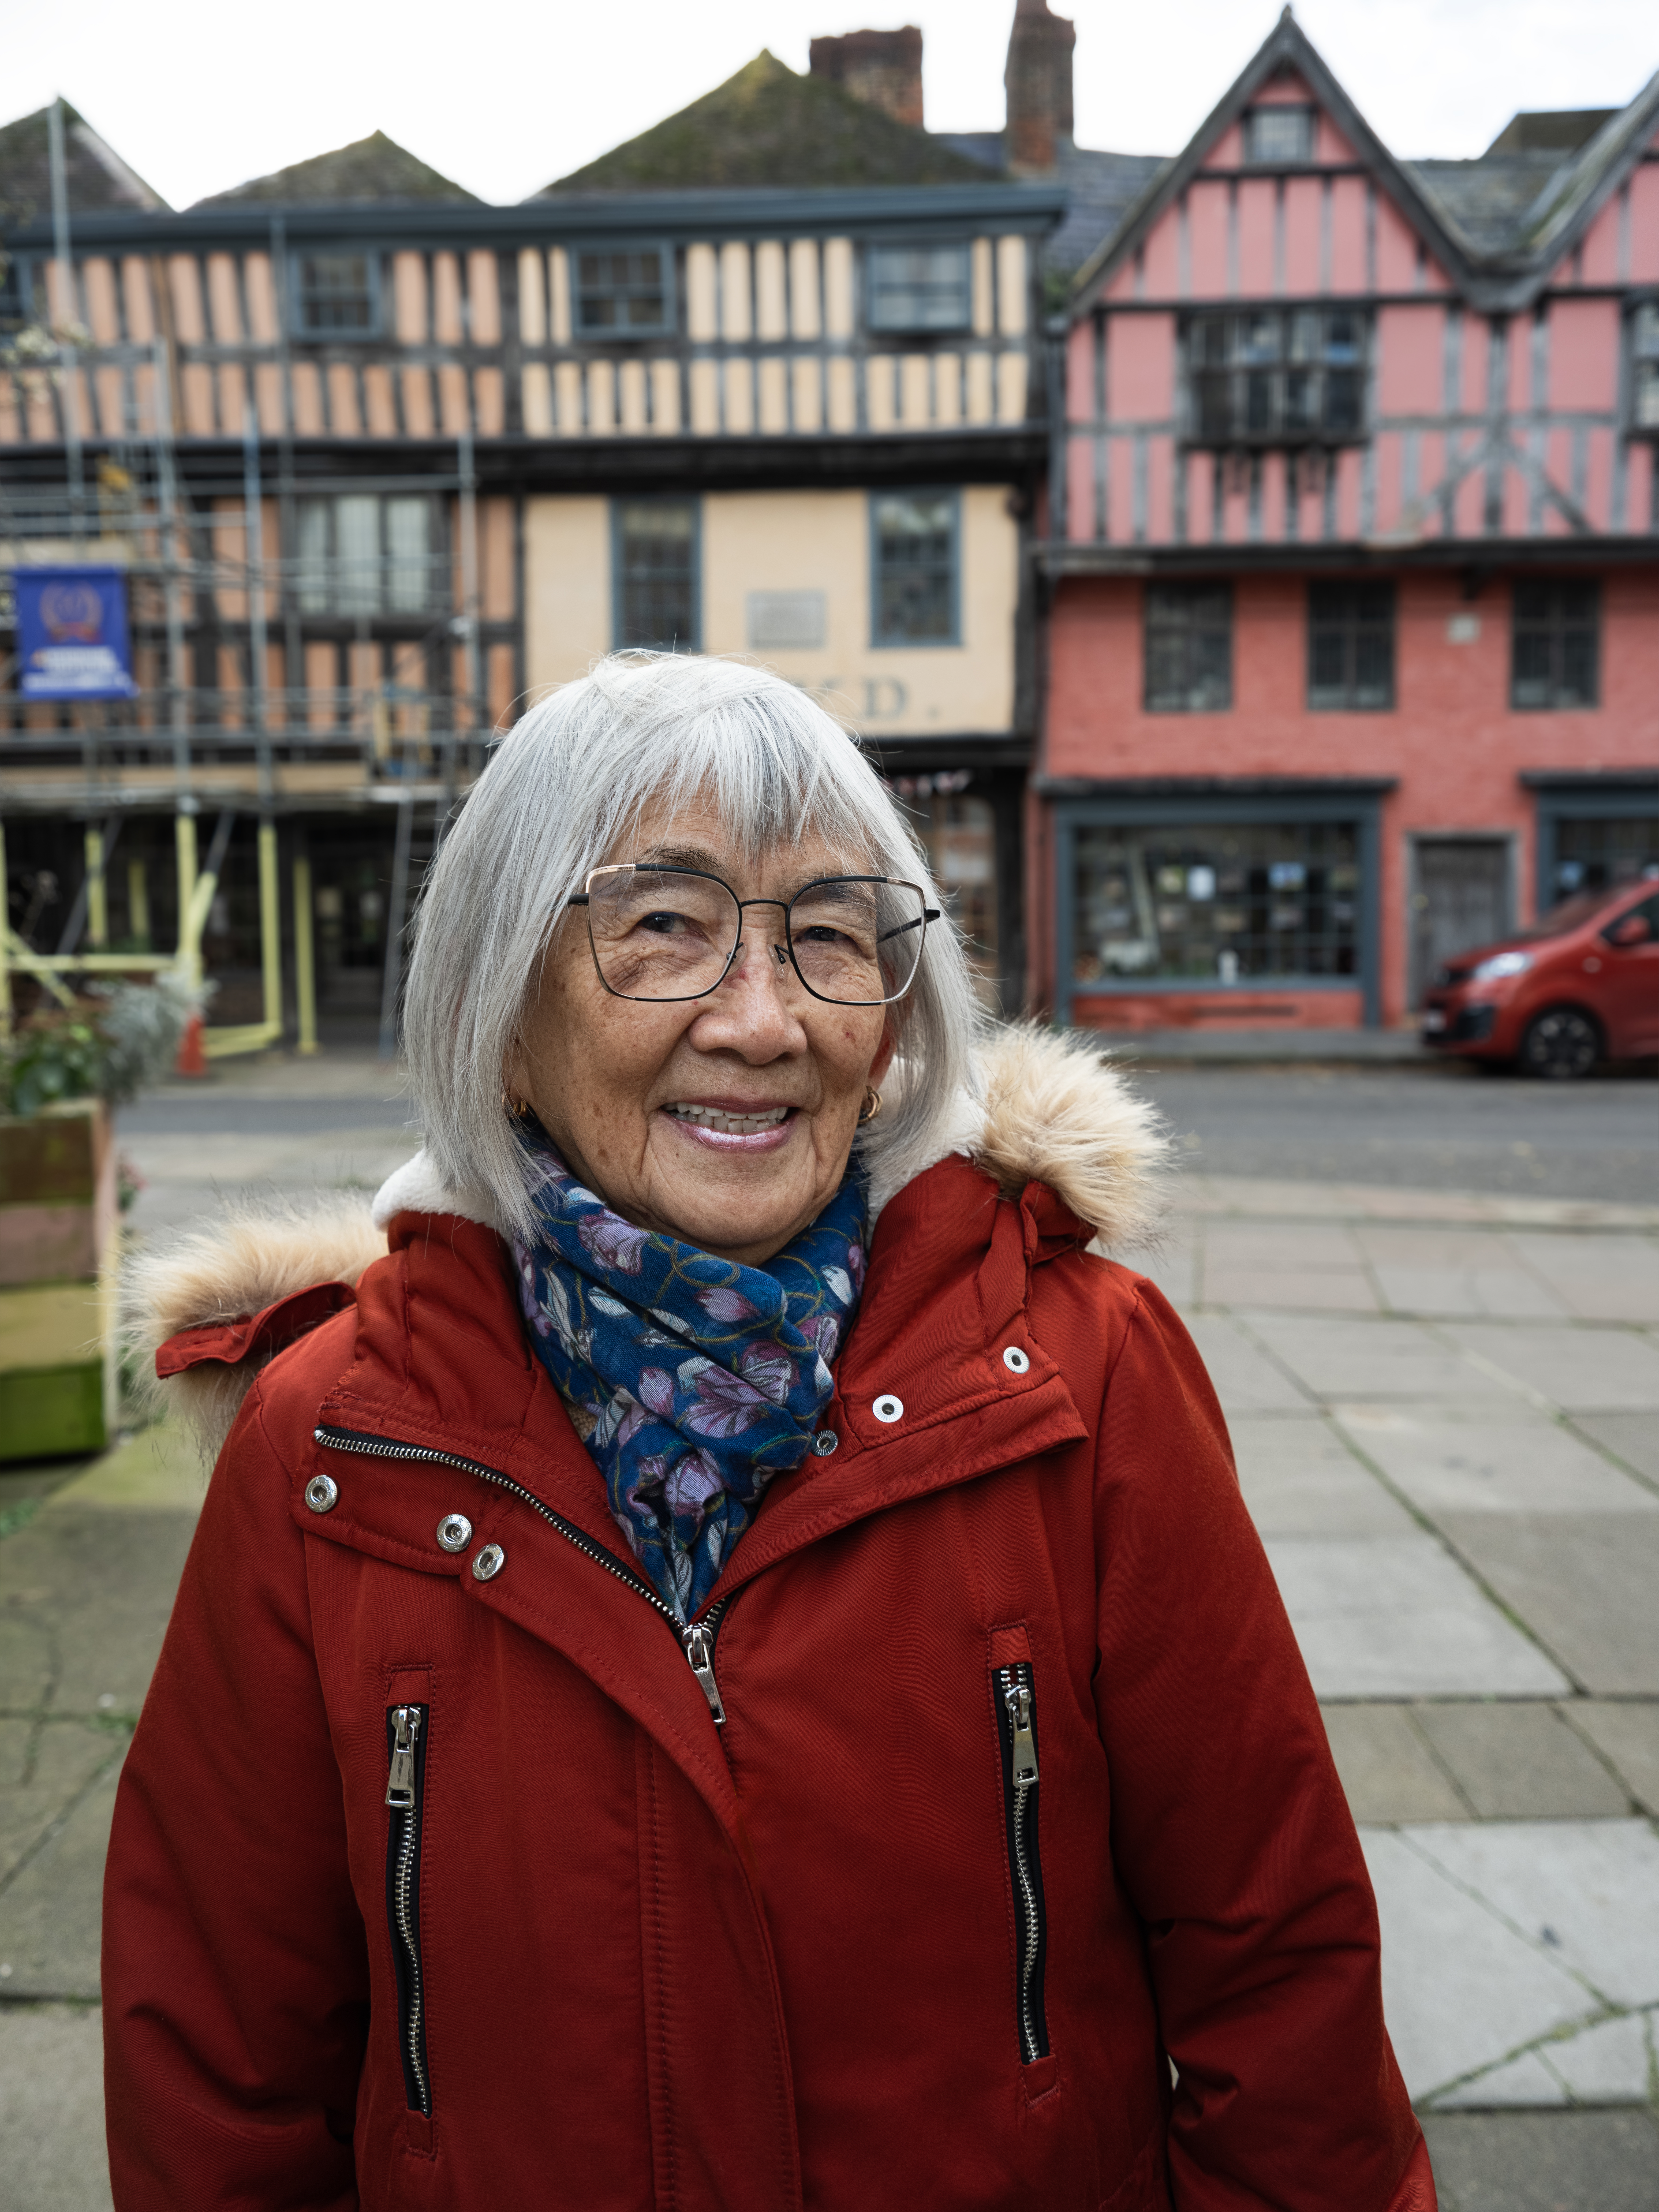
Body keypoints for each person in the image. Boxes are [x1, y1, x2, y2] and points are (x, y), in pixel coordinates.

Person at [106, 653, 1434, 2211]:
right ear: (502, 1015)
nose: (764, 1020)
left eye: (825, 935)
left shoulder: (1087, 1378)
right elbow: (223, 2056)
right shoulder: (329, 1444)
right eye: (663, 924)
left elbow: (1275, 1967)